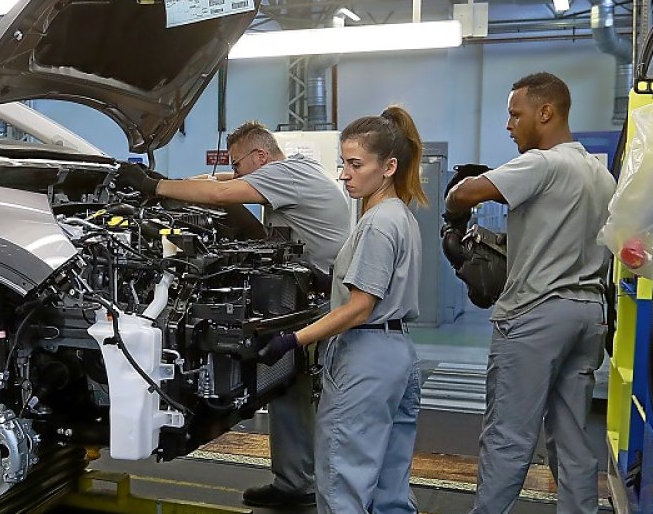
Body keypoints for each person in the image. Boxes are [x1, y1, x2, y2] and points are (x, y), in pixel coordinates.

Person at [117, 120, 351, 509]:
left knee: (320, 396)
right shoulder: (289, 172)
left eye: (240, 163)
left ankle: (337, 494)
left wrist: (153, 188)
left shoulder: (286, 174)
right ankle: (295, 483)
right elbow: (222, 180)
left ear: (261, 156)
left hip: (325, 303)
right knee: (287, 390)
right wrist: (167, 181)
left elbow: (223, 190)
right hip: (305, 300)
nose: (236, 170)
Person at [444, 72, 615, 514]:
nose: (509, 125)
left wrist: (454, 213)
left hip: (536, 315)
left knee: (507, 434)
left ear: (546, 112)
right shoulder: (600, 174)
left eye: (515, 114)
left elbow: (468, 192)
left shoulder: (544, 163)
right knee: (573, 435)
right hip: (587, 313)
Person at [257, 106, 425, 514]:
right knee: (390, 486)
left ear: (388, 167)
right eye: (342, 164)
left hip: (365, 357)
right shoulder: (400, 216)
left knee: (341, 478)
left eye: (355, 164)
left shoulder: (376, 224)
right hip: (399, 355)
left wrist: (291, 340)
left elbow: (360, 308)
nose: (344, 174)